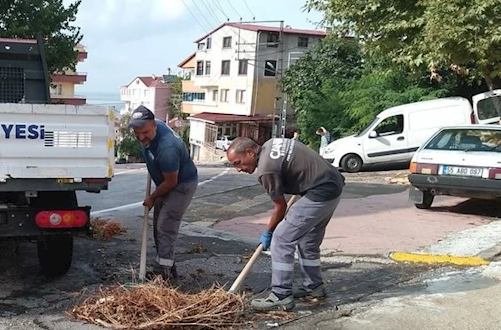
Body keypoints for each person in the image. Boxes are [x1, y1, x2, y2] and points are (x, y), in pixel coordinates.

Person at [226, 136, 345, 311]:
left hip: (320, 191)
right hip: (333, 184)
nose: (238, 169)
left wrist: (269, 232)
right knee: (308, 241)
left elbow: (280, 207)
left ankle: (281, 294)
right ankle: (314, 287)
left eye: (238, 162)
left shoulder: (266, 170)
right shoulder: (271, 143)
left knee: (281, 240)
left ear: (250, 152)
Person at [129, 105, 199, 280]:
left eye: (144, 132)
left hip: (181, 186)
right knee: (159, 227)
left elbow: (171, 181)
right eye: (136, 132)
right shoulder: (153, 127)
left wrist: (152, 197)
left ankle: (164, 274)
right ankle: (167, 264)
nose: (140, 136)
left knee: (165, 227)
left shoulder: (167, 147)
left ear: (154, 125)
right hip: (166, 183)